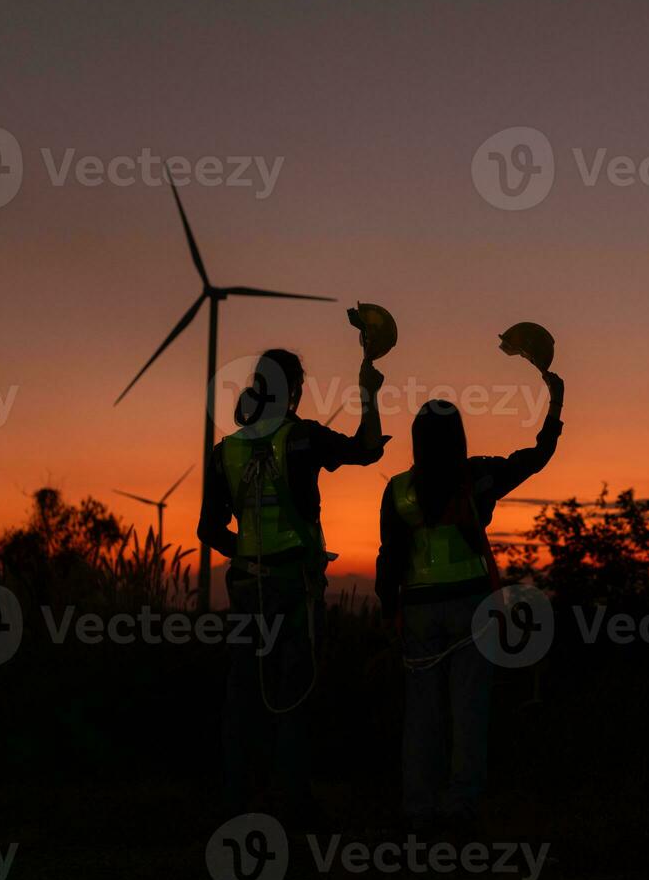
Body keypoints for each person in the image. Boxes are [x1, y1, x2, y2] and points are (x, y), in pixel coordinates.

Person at [199, 348, 387, 822]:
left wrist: (246, 552)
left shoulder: (225, 452)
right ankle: (291, 802)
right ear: (295, 391)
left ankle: (234, 799)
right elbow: (368, 449)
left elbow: (208, 529)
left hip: (246, 591)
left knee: (241, 696)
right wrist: (368, 392)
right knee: (292, 696)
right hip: (297, 588)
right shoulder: (303, 437)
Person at [375, 371, 564, 834]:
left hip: (418, 611)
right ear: (459, 435)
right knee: (469, 710)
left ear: (417, 439)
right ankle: (460, 807)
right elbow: (536, 458)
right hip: (472, 611)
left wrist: (388, 609)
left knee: (421, 714)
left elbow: (389, 556)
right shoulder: (479, 476)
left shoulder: (399, 488)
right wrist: (554, 407)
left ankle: (417, 808)